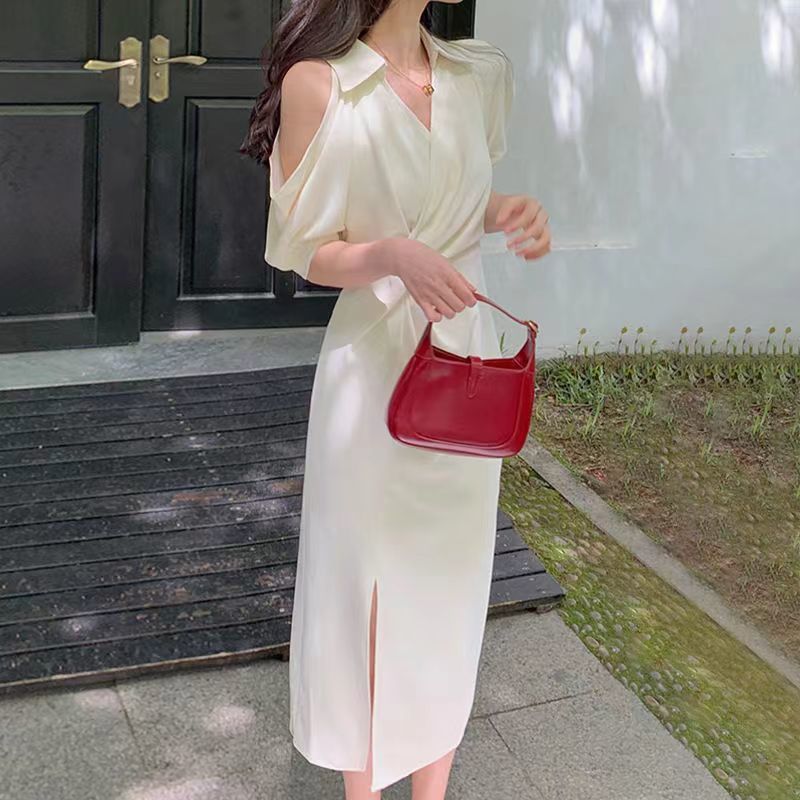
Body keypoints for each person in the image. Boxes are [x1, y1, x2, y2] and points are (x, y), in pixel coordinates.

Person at [240, 1, 551, 797]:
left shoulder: (476, 74)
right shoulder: (322, 84)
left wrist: (504, 211)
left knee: (450, 586)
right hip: (374, 368)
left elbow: (457, 196)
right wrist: (390, 255)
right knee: (367, 589)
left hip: (466, 361)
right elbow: (304, 248)